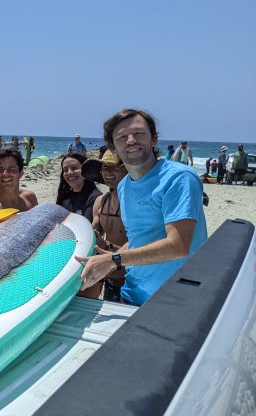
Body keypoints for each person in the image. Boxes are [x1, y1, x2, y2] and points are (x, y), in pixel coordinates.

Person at [76, 108, 207, 306]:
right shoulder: (124, 187)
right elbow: (139, 237)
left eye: (138, 134)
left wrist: (116, 260)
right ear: (113, 147)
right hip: (132, 293)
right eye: (122, 137)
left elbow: (179, 246)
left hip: (176, 302)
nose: (131, 140)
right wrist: (112, 257)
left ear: (153, 139)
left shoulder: (179, 178)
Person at [82, 151, 128, 302]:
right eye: (104, 167)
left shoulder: (132, 204)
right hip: (107, 274)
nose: (108, 172)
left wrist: (106, 246)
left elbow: (141, 241)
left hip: (131, 275)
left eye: (115, 167)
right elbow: (93, 233)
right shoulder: (100, 202)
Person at [56, 154, 101, 220]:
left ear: (85, 170)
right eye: (65, 170)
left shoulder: (95, 198)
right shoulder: (64, 197)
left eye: (74, 168)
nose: (69, 172)